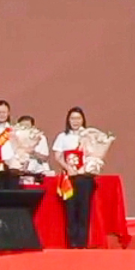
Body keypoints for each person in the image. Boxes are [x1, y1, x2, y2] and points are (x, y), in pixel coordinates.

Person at [55, 107, 96, 249]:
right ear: (68, 120)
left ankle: (82, 243)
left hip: (85, 178)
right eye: (72, 118)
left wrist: (87, 167)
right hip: (69, 178)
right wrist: (68, 168)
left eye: (78, 118)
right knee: (70, 211)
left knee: (84, 210)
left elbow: (95, 155)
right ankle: (71, 243)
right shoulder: (63, 137)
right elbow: (58, 156)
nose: (75, 121)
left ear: (83, 119)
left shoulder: (89, 136)